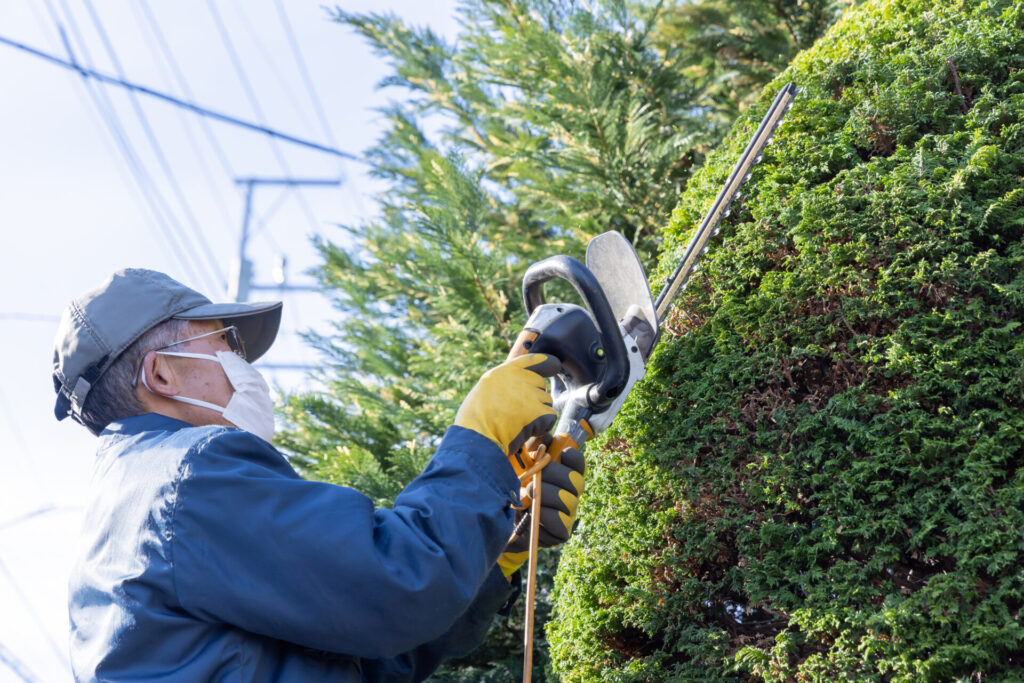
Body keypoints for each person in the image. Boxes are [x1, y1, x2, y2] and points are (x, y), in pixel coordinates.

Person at [52, 268, 586, 681]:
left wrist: (498, 551)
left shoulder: (131, 506)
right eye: (224, 342)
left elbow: (360, 660)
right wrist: (483, 435)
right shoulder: (185, 480)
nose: (242, 365)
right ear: (162, 373)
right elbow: (395, 584)